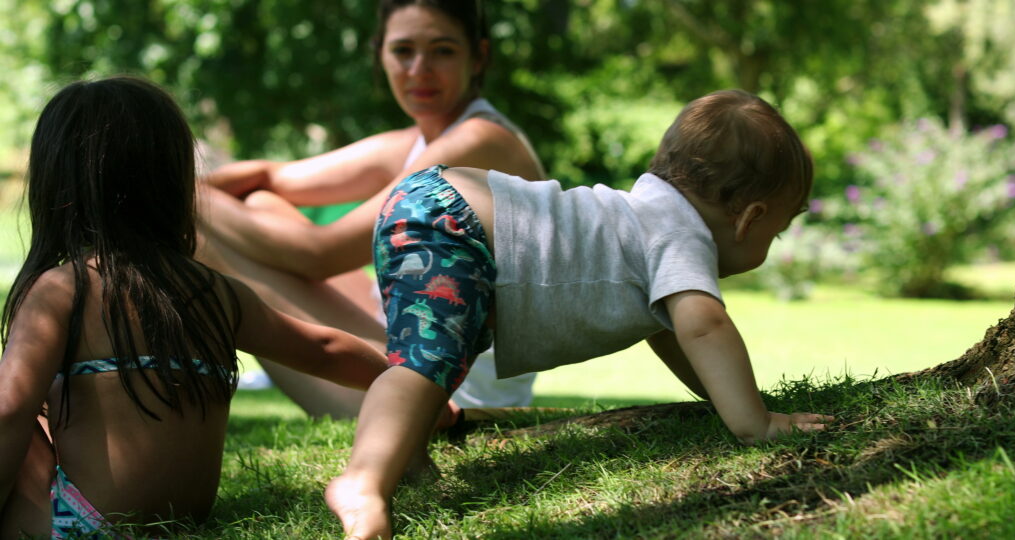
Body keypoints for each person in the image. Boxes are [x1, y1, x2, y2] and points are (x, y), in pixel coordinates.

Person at [323, 89, 836, 539]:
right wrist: (756, 422)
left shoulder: (645, 217)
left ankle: (404, 457)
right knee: (425, 361)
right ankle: (361, 482)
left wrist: (724, 400)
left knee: (439, 358)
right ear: (751, 218)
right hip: (456, 222)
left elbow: (675, 333)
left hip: (443, 204)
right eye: (779, 230)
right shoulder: (680, 233)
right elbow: (704, 325)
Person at [0, 77, 390, 538]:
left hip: (81, 525)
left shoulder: (61, 290)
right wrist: (409, 393)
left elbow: (9, 411)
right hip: (182, 519)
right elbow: (325, 347)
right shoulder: (218, 293)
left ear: (56, 183)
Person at [198, 0, 544, 417]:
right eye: (403, 51)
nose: (419, 69)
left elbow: (318, 254)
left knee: (201, 238)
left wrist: (169, 195)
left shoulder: (480, 140)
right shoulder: (409, 144)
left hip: (448, 393)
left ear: (479, 56)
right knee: (259, 203)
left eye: (443, 51)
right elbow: (268, 176)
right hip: (412, 358)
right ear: (380, 54)